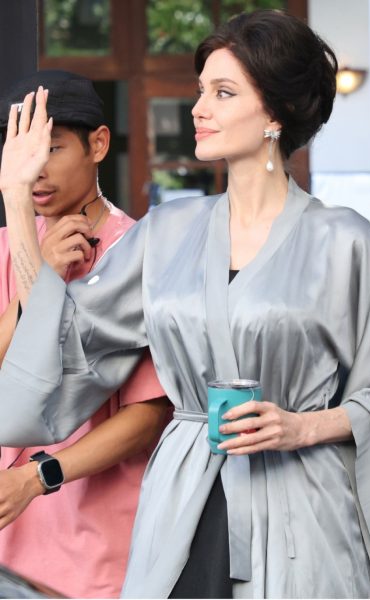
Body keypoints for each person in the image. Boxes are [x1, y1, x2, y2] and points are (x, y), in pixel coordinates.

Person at [0, 10, 370, 599]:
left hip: (304, 509)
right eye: (201, 90)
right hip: (184, 501)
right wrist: (16, 200)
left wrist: (301, 425)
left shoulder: (345, 241)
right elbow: (61, 341)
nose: (198, 108)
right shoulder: (165, 232)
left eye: (222, 93)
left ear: (275, 112)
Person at [0, 70, 169, 598]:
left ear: (98, 144)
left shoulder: (139, 254)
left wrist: (35, 478)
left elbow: (149, 415)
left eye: (52, 148)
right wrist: (37, 279)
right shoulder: (6, 244)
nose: (36, 170)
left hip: (90, 546)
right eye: (23, 153)